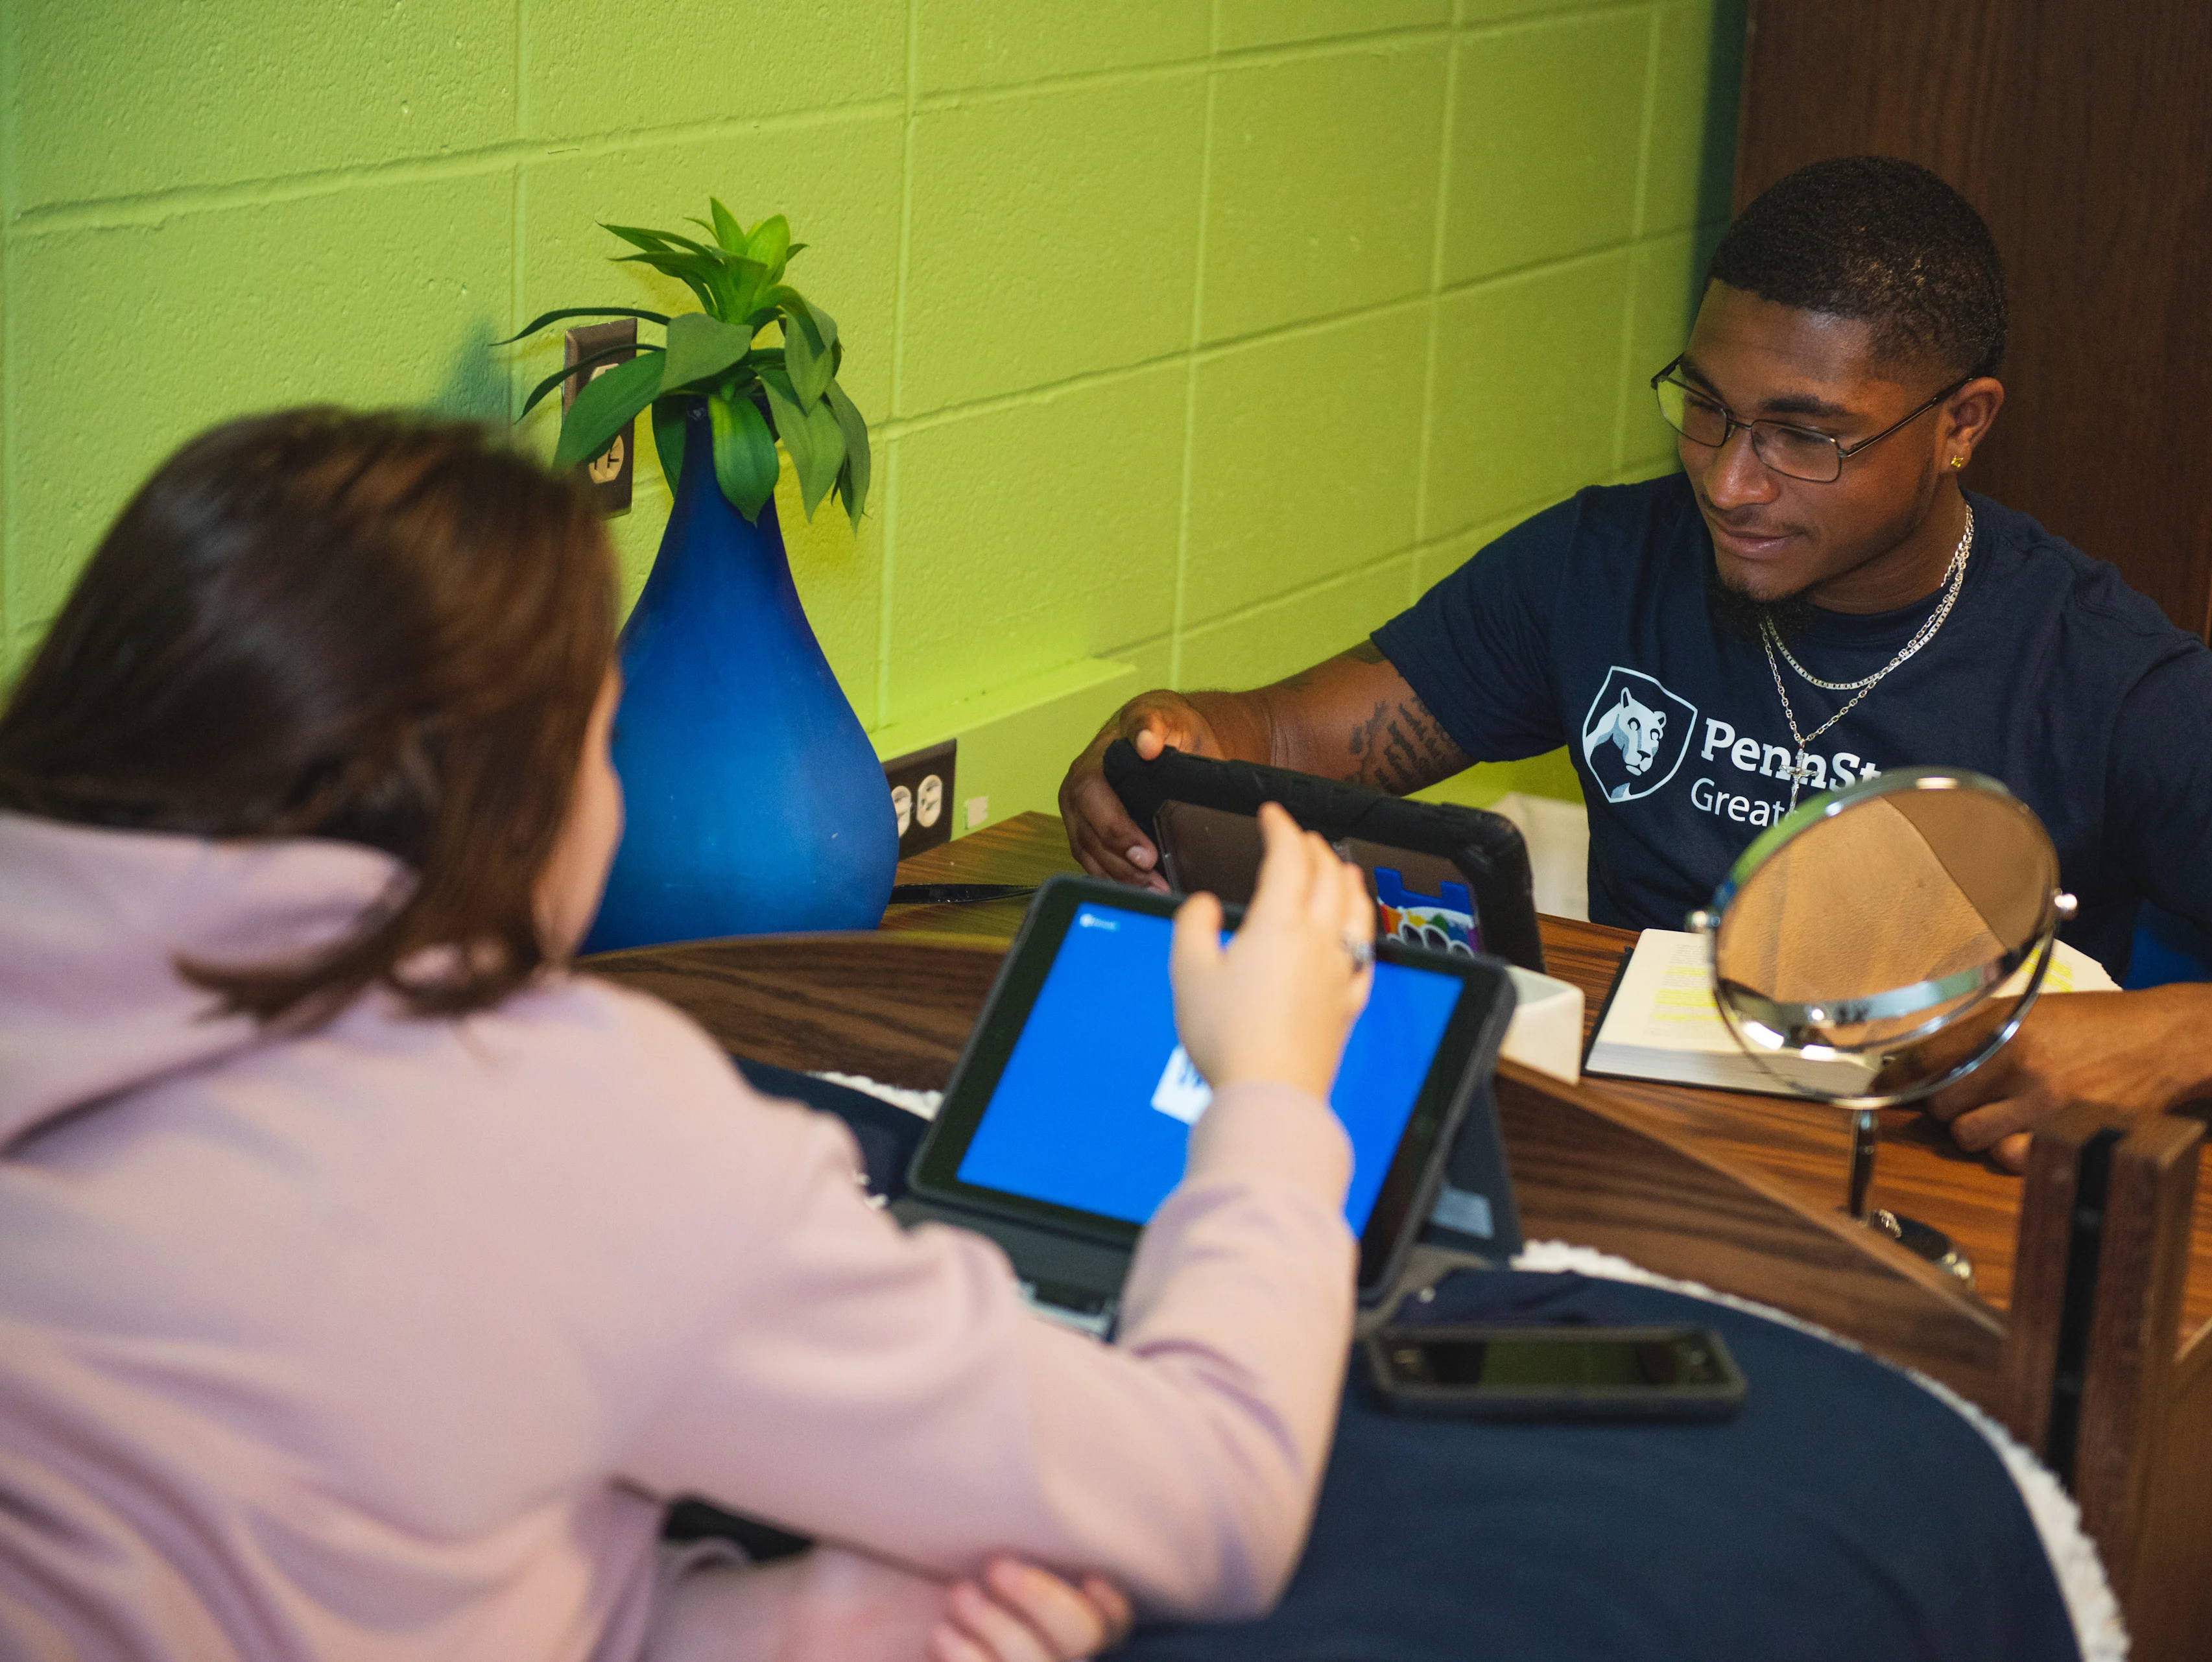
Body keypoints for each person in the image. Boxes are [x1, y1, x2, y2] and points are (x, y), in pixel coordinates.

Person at [0, 410, 1382, 1662]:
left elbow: (329, 1568)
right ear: (516, 796)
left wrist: (761, 1622)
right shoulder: (566, 1116)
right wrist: (1264, 1087)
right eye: (606, 737)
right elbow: (1212, 1494)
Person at [1061, 156, 2212, 1172]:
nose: (1732, 482)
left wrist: (2168, 1044)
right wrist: (1167, 741)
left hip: (1920, 1189)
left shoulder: (2097, 671)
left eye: (1807, 434)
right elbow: (1298, 745)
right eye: (1707, 408)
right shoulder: (1599, 562)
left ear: (1962, 421)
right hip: (1626, 1155)